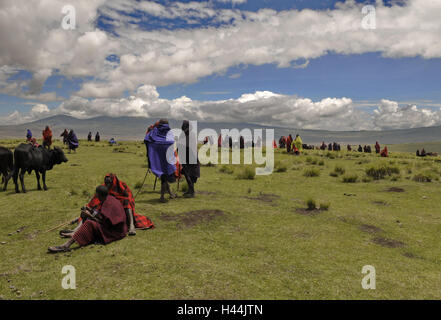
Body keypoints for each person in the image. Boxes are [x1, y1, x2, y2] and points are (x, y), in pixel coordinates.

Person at [48, 186, 127, 253]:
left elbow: (105, 223)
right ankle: (75, 233)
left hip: (115, 232)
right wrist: (91, 210)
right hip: (118, 229)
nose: (96, 195)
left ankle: (66, 245)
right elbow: (102, 216)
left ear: (99, 195)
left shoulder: (108, 204)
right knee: (89, 219)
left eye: (97, 194)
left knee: (89, 223)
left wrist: (90, 216)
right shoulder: (109, 199)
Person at [145, 119, 177, 203]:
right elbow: (172, 143)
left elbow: (147, 139)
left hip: (158, 159)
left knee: (164, 177)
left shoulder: (154, 132)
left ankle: (165, 195)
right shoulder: (169, 133)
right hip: (167, 159)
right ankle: (165, 195)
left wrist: (150, 130)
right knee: (164, 177)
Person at [178, 121, 200, 198]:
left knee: (191, 175)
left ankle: (192, 192)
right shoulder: (183, 135)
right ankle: (190, 190)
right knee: (187, 174)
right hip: (186, 157)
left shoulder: (191, 135)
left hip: (191, 157)